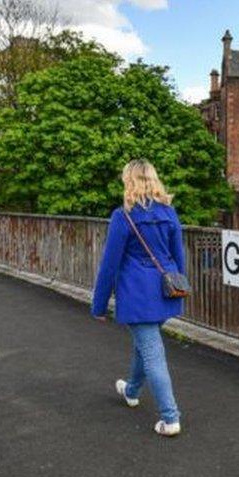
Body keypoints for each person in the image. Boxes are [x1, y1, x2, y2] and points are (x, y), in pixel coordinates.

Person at [91, 160, 185, 437]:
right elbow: (178, 256)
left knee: (152, 352)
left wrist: (99, 304)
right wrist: (180, 287)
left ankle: (170, 418)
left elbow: (110, 263)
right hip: (165, 290)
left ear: (129, 181)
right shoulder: (169, 213)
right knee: (145, 344)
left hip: (137, 294)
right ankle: (131, 390)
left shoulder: (124, 216)